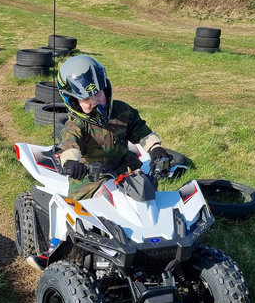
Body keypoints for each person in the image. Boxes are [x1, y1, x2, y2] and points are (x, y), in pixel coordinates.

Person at [56, 55, 171, 200]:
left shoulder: (122, 110)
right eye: (86, 99)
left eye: (97, 93)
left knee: (148, 191)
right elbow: (70, 144)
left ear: (106, 88)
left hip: (123, 167)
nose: (95, 101)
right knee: (79, 207)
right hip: (90, 176)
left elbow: (141, 131)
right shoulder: (76, 123)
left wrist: (155, 148)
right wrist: (71, 162)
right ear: (73, 102)